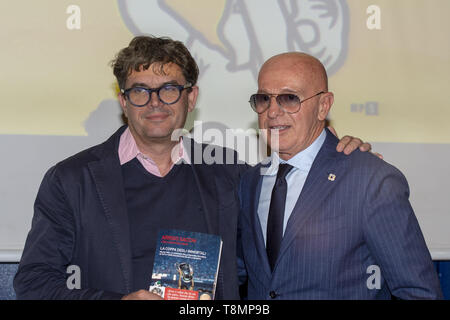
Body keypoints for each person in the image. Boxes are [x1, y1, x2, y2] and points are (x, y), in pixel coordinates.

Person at [14, 36, 370, 300]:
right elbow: (33, 282)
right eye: (140, 91)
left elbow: (294, 204)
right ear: (123, 101)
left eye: (169, 89)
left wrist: (336, 155)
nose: (155, 102)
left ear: (191, 97)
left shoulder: (233, 173)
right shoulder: (72, 180)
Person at [237, 52, 443, 299]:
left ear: (323, 105)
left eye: (289, 98)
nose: (272, 111)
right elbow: (240, 273)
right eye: (263, 99)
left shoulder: (371, 181)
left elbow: (419, 293)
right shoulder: (250, 183)